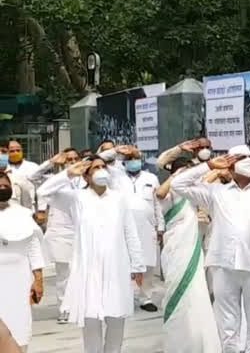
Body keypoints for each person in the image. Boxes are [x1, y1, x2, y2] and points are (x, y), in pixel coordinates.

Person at [171, 150, 250, 353]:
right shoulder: (217, 192)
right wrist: (210, 166)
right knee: (227, 327)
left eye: (249, 158)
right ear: (230, 166)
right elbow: (178, 184)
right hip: (223, 266)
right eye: (240, 159)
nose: (247, 162)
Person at [37, 156, 146, 353]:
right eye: (95, 168)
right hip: (89, 270)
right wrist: (69, 173)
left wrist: (137, 266)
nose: (101, 170)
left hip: (116, 268)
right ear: (86, 176)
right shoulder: (76, 198)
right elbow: (43, 191)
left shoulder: (119, 198)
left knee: (116, 320)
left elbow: (130, 232)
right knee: (91, 324)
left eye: (103, 166)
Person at [155, 161, 221, 353]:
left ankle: (199, 341)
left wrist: (215, 168)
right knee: (176, 291)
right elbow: (159, 192)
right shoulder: (168, 195)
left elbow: (209, 178)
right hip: (175, 248)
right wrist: (176, 176)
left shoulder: (192, 194)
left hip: (193, 248)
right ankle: (178, 342)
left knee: (196, 292)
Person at [27, 149, 83, 323]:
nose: (72, 162)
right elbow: (33, 178)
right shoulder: (54, 180)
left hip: (82, 230)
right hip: (61, 232)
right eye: (69, 159)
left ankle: (81, 305)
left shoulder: (87, 179)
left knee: (81, 271)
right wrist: (51, 162)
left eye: (76, 158)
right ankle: (64, 308)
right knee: (63, 274)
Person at [0, 172, 45, 352]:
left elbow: (33, 248)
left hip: (19, 279)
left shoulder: (24, 214)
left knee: (19, 326)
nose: (2, 188)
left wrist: (38, 280)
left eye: (5, 185)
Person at [122, 149, 164, 311]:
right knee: (124, 261)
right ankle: (125, 296)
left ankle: (145, 298)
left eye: (137, 158)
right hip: (124, 227)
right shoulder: (117, 178)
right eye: (130, 159)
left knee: (148, 262)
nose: (134, 161)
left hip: (147, 226)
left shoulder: (150, 178)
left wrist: (160, 226)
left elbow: (157, 203)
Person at [0, 143, 34, 210]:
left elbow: (27, 203)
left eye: (3, 152)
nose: (0, 155)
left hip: (15, 217)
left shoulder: (19, 177)